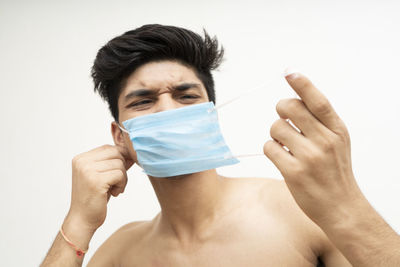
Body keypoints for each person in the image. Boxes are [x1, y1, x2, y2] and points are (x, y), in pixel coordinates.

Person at [41, 24, 400, 267]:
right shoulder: (121, 251)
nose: (167, 109)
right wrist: (77, 222)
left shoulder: (299, 210)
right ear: (120, 136)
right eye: (143, 101)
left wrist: (346, 206)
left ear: (212, 115)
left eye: (186, 95)